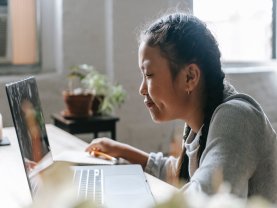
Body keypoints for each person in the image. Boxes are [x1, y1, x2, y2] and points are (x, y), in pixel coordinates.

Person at [85, 12, 277, 202]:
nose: (142, 89)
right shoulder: (202, 120)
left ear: (190, 77)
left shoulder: (236, 118)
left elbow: (203, 197)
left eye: (149, 75)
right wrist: (121, 151)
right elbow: (182, 173)